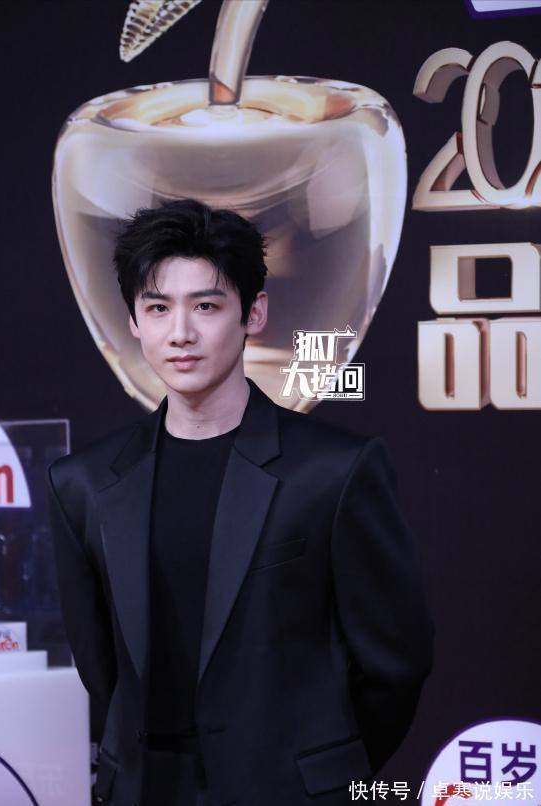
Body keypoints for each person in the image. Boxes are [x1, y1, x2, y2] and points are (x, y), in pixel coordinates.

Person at [48, 198, 434, 806]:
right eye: (157, 308)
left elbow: (394, 665)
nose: (180, 333)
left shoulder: (333, 472)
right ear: (133, 322)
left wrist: (317, 770)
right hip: (144, 790)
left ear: (254, 313)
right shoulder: (83, 484)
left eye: (206, 306)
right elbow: (102, 669)